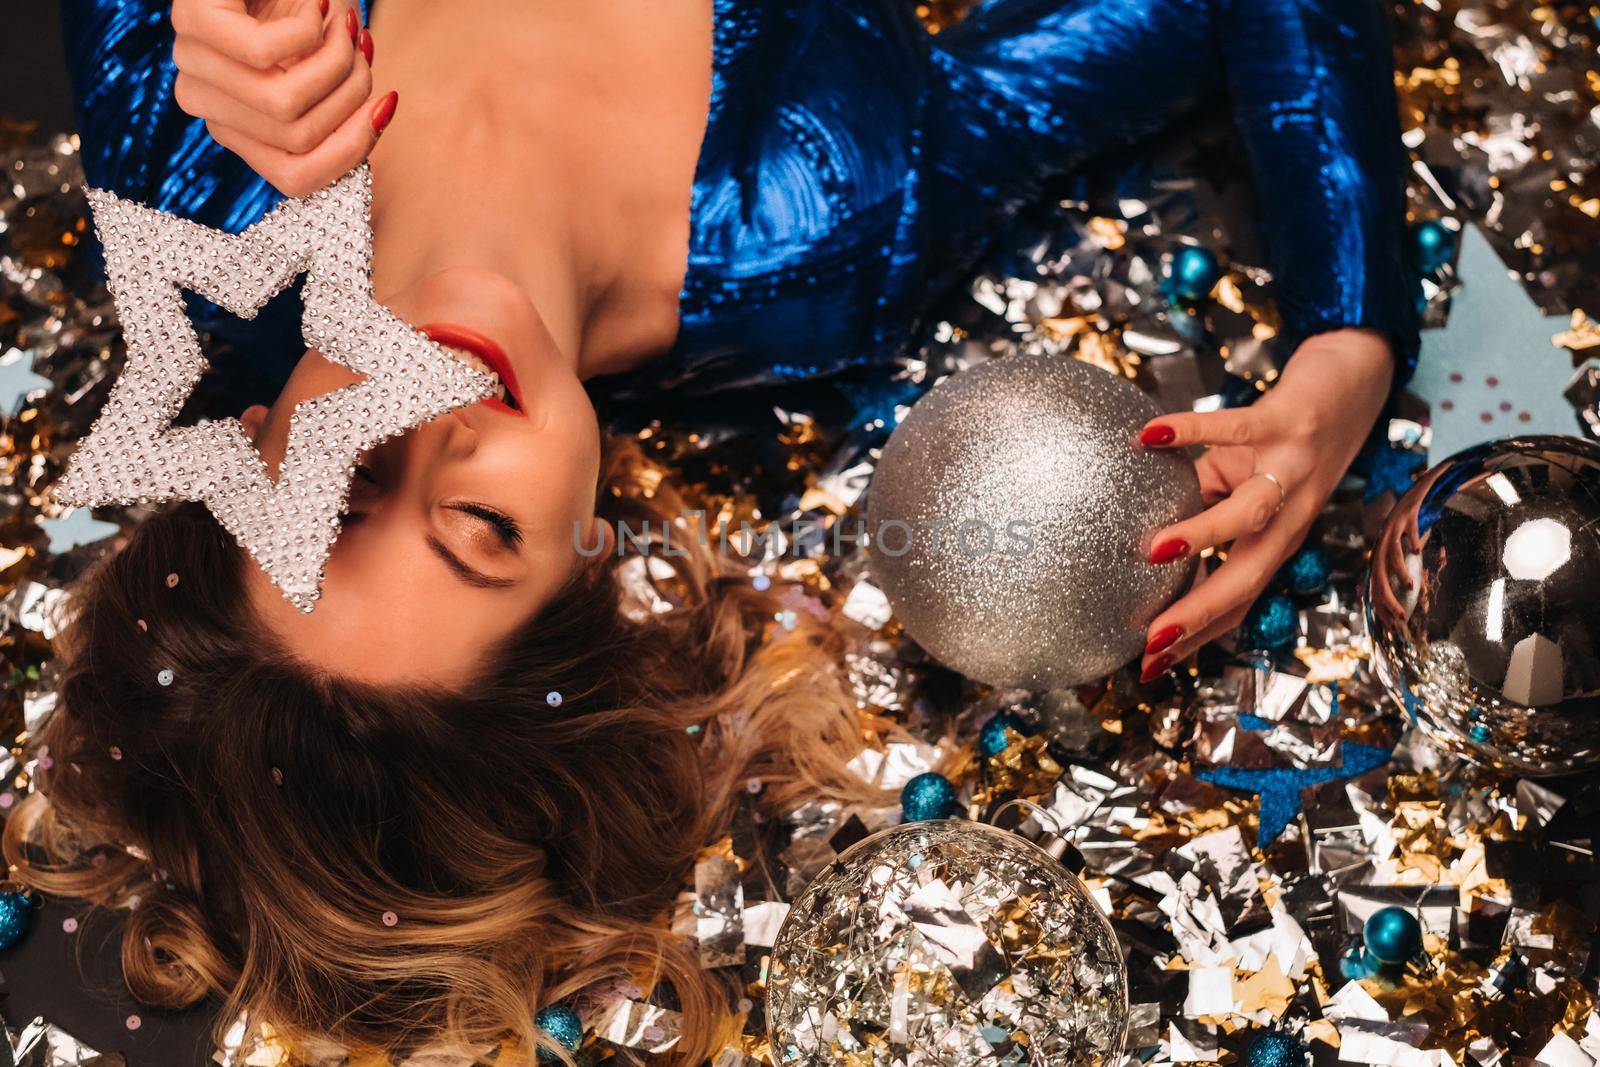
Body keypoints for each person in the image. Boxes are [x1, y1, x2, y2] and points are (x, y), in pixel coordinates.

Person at [10, 0, 1418, 1060]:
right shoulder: (828, 213)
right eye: (478, 525)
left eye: (346, 478)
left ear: (252, 444)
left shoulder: (182, 169)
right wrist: (1347, 348)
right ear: (590, 554)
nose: (435, 415)